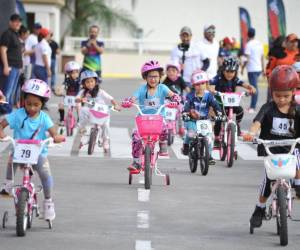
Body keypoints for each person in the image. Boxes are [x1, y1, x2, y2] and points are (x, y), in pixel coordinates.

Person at [243, 65, 300, 229]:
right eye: (277, 95)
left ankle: (297, 183)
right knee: (268, 178)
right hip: (271, 148)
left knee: (298, 156)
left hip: (292, 146)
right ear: (271, 92)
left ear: (293, 92)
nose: (281, 99)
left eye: (286, 96)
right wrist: (251, 133)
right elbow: (257, 123)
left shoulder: (297, 109)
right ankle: (259, 208)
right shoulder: (268, 107)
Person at [0, 79, 65, 220]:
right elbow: (2, 124)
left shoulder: (44, 118)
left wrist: (56, 136)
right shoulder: (18, 115)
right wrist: (2, 133)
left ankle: (48, 202)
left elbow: (53, 132)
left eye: (36, 105)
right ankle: (8, 184)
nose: (32, 108)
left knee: (45, 174)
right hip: (19, 150)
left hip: (38, 152)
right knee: (11, 161)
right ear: (23, 101)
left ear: (42, 104)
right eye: (28, 104)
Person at [122, 60, 180, 171]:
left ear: (160, 77)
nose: (153, 79)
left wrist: (175, 99)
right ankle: (136, 162)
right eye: (150, 76)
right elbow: (133, 98)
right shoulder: (141, 89)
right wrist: (128, 101)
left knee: (165, 128)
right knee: (136, 137)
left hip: (158, 118)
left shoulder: (162, 88)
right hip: (143, 119)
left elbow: (173, 95)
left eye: (156, 76)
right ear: (145, 77)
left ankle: (163, 143)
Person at [210, 57, 256, 142]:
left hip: (231, 102)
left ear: (235, 72)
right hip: (220, 103)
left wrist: (251, 87)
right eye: (227, 71)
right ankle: (216, 136)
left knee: (240, 111)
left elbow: (243, 84)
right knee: (220, 118)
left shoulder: (235, 79)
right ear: (223, 70)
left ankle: (237, 125)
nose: (229, 74)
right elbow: (211, 85)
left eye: (232, 72)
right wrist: (212, 90)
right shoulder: (218, 78)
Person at [181, 69, 222, 165]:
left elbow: (216, 106)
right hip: (191, 120)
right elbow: (186, 106)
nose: (200, 86)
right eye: (197, 84)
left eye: (203, 83)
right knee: (191, 133)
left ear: (206, 83)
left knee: (208, 138)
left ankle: (209, 156)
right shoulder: (190, 96)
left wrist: (220, 114)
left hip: (204, 120)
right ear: (193, 85)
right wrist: (185, 114)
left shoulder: (209, 96)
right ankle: (186, 145)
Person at [76, 70, 120, 153]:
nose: (90, 84)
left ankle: (105, 140)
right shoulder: (83, 92)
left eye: (92, 81)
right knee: (83, 110)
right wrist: (80, 99)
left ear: (96, 81)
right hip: (91, 111)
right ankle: (82, 127)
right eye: (87, 82)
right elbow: (77, 98)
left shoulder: (100, 91)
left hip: (102, 111)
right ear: (83, 83)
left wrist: (116, 105)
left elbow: (111, 99)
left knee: (106, 126)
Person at [0, 14, 23, 114]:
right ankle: (4, 111)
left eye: (19, 21)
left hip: (16, 67)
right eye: (15, 21)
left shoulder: (15, 34)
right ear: (10, 22)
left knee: (11, 92)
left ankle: (7, 111)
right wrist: (5, 66)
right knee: (6, 91)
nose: (18, 23)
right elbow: (2, 50)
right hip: (10, 67)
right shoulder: (7, 34)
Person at [241, 28, 265, 113]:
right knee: (254, 87)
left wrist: (242, 68)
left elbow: (246, 59)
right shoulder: (259, 43)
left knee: (253, 88)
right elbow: (262, 57)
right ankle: (252, 106)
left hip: (252, 69)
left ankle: (252, 107)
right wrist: (263, 69)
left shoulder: (249, 44)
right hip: (258, 69)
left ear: (248, 34)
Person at [58, 61, 81, 126]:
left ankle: (79, 120)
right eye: (72, 73)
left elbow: (83, 86)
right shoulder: (67, 80)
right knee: (61, 105)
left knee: (78, 106)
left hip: (76, 97)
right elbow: (63, 86)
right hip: (68, 97)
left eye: (76, 72)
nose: (74, 74)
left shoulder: (79, 80)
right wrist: (60, 90)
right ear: (68, 73)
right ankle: (62, 120)